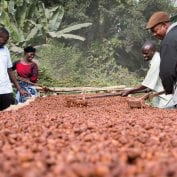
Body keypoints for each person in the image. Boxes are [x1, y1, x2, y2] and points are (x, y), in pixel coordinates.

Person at [121, 41, 173, 108]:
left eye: (146, 53)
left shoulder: (157, 61)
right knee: (155, 112)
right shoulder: (155, 58)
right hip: (158, 93)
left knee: (165, 114)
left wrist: (130, 91)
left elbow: (146, 84)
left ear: (152, 51)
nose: (144, 56)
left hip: (166, 95)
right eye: (143, 54)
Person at [146, 11, 177, 106]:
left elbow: (167, 70)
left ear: (164, 25)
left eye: (156, 30)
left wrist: (168, 88)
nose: (154, 34)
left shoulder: (169, 40)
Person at [0, 27, 27, 111]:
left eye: (6, 40)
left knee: (8, 117)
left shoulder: (5, 50)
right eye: (3, 39)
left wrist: (19, 88)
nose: (5, 42)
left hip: (5, 90)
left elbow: (10, 70)